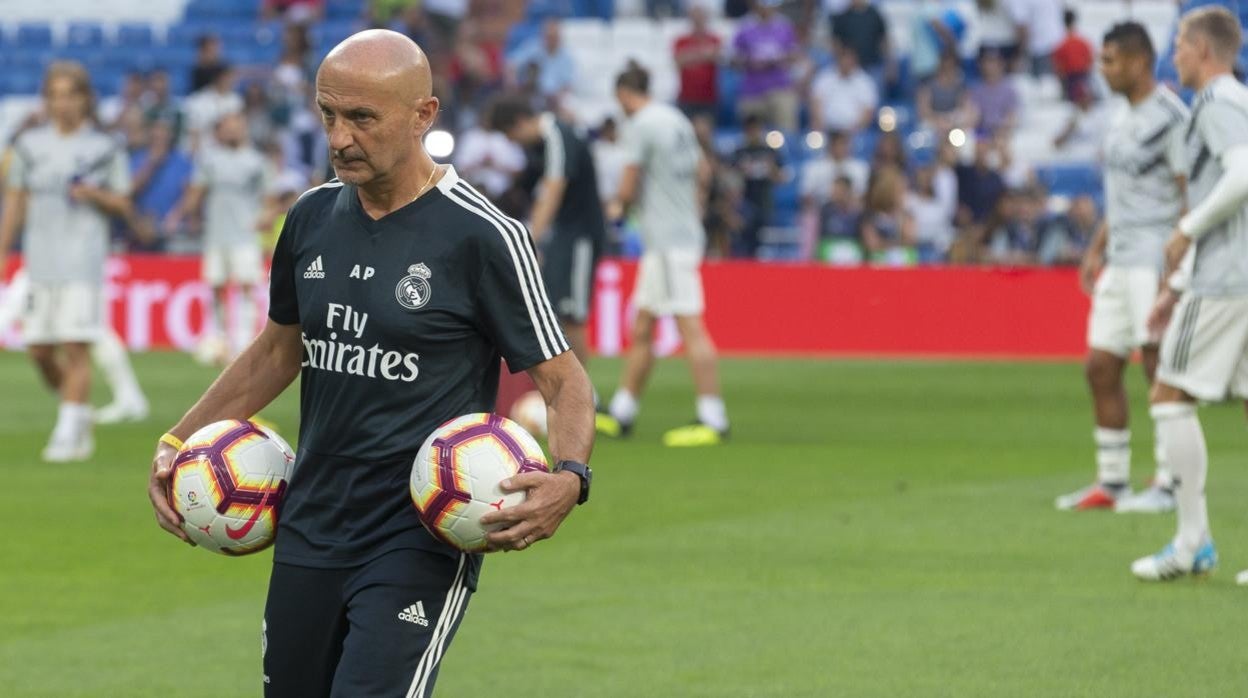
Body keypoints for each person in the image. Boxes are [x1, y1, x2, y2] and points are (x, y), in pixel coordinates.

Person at [145, 30, 595, 695]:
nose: (339, 137)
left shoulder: (483, 235)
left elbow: (564, 382)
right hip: (308, 524)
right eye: (328, 114)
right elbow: (276, 350)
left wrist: (571, 477)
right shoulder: (309, 218)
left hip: (416, 539)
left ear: (423, 116)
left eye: (362, 118)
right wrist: (178, 442)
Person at [1129, 6, 1248, 582]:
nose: (1171, 55)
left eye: (1178, 44)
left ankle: (1191, 541)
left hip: (1228, 279)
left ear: (1202, 49)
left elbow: (1243, 174)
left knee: (1169, 394)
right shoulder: (1242, 101)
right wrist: (1174, 284)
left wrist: (1186, 230)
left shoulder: (1217, 104)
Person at [1054, 22, 1189, 515]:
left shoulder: (1170, 118)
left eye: (1109, 60)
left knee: (1158, 364)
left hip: (1153, 254)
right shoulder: (1120, 119)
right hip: (1121, 254)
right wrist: (1097, 248)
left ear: (1136, 62)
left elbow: (1187, 191)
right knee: (1101, 365)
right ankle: (1112, 482)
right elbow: (1122, 194)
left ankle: (1170, 482)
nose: (1102, 69)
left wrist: (1177, 262)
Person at [0, 62, 133, 461]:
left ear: (85, 99)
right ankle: (78, 414)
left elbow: (123, 202)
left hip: (82, 259)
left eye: (70, 94)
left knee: (76, 346)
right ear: (47, 99)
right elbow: (17, 201)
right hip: (40, 260)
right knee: (38, 350)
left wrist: (95, 194)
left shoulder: (105, 147)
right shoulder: (29, 146)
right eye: (55, 95)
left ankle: (68, 434)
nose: (63, 103)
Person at [596, 65, 729, 447]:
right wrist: (688, 209)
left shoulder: (640, 125)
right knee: (643, 326)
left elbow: (626, 184)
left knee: (691, 327)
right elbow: (704, 172)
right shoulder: (677, 119)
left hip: (669, 243)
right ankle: (623, 411)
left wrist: (614, 210)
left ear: (623, 93)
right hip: (674, 237)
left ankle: (713, 417)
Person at [491, 97, 607, 372]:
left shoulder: (557, 136)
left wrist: (528, 241)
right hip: (563, 236)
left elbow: (553, 191)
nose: (513, 142)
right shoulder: (541, 147)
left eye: (511, 135)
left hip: (580, 237)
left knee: (572, 314)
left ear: (520, 122)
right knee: (559, 312)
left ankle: (585, 397)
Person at [166, 113, 276, 363]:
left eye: (236, 127)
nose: (232, 132)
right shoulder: (210, 160)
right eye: (227, 128)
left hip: (245, 236)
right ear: (220, 131)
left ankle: (245, 343)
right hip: (216, 236)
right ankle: (218, 341)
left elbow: (269, 199)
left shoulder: (257, 162)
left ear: (244, 129)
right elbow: (196, 191)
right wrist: (181, 214)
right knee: (216, 287)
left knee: (247, 287)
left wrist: (266, 219)